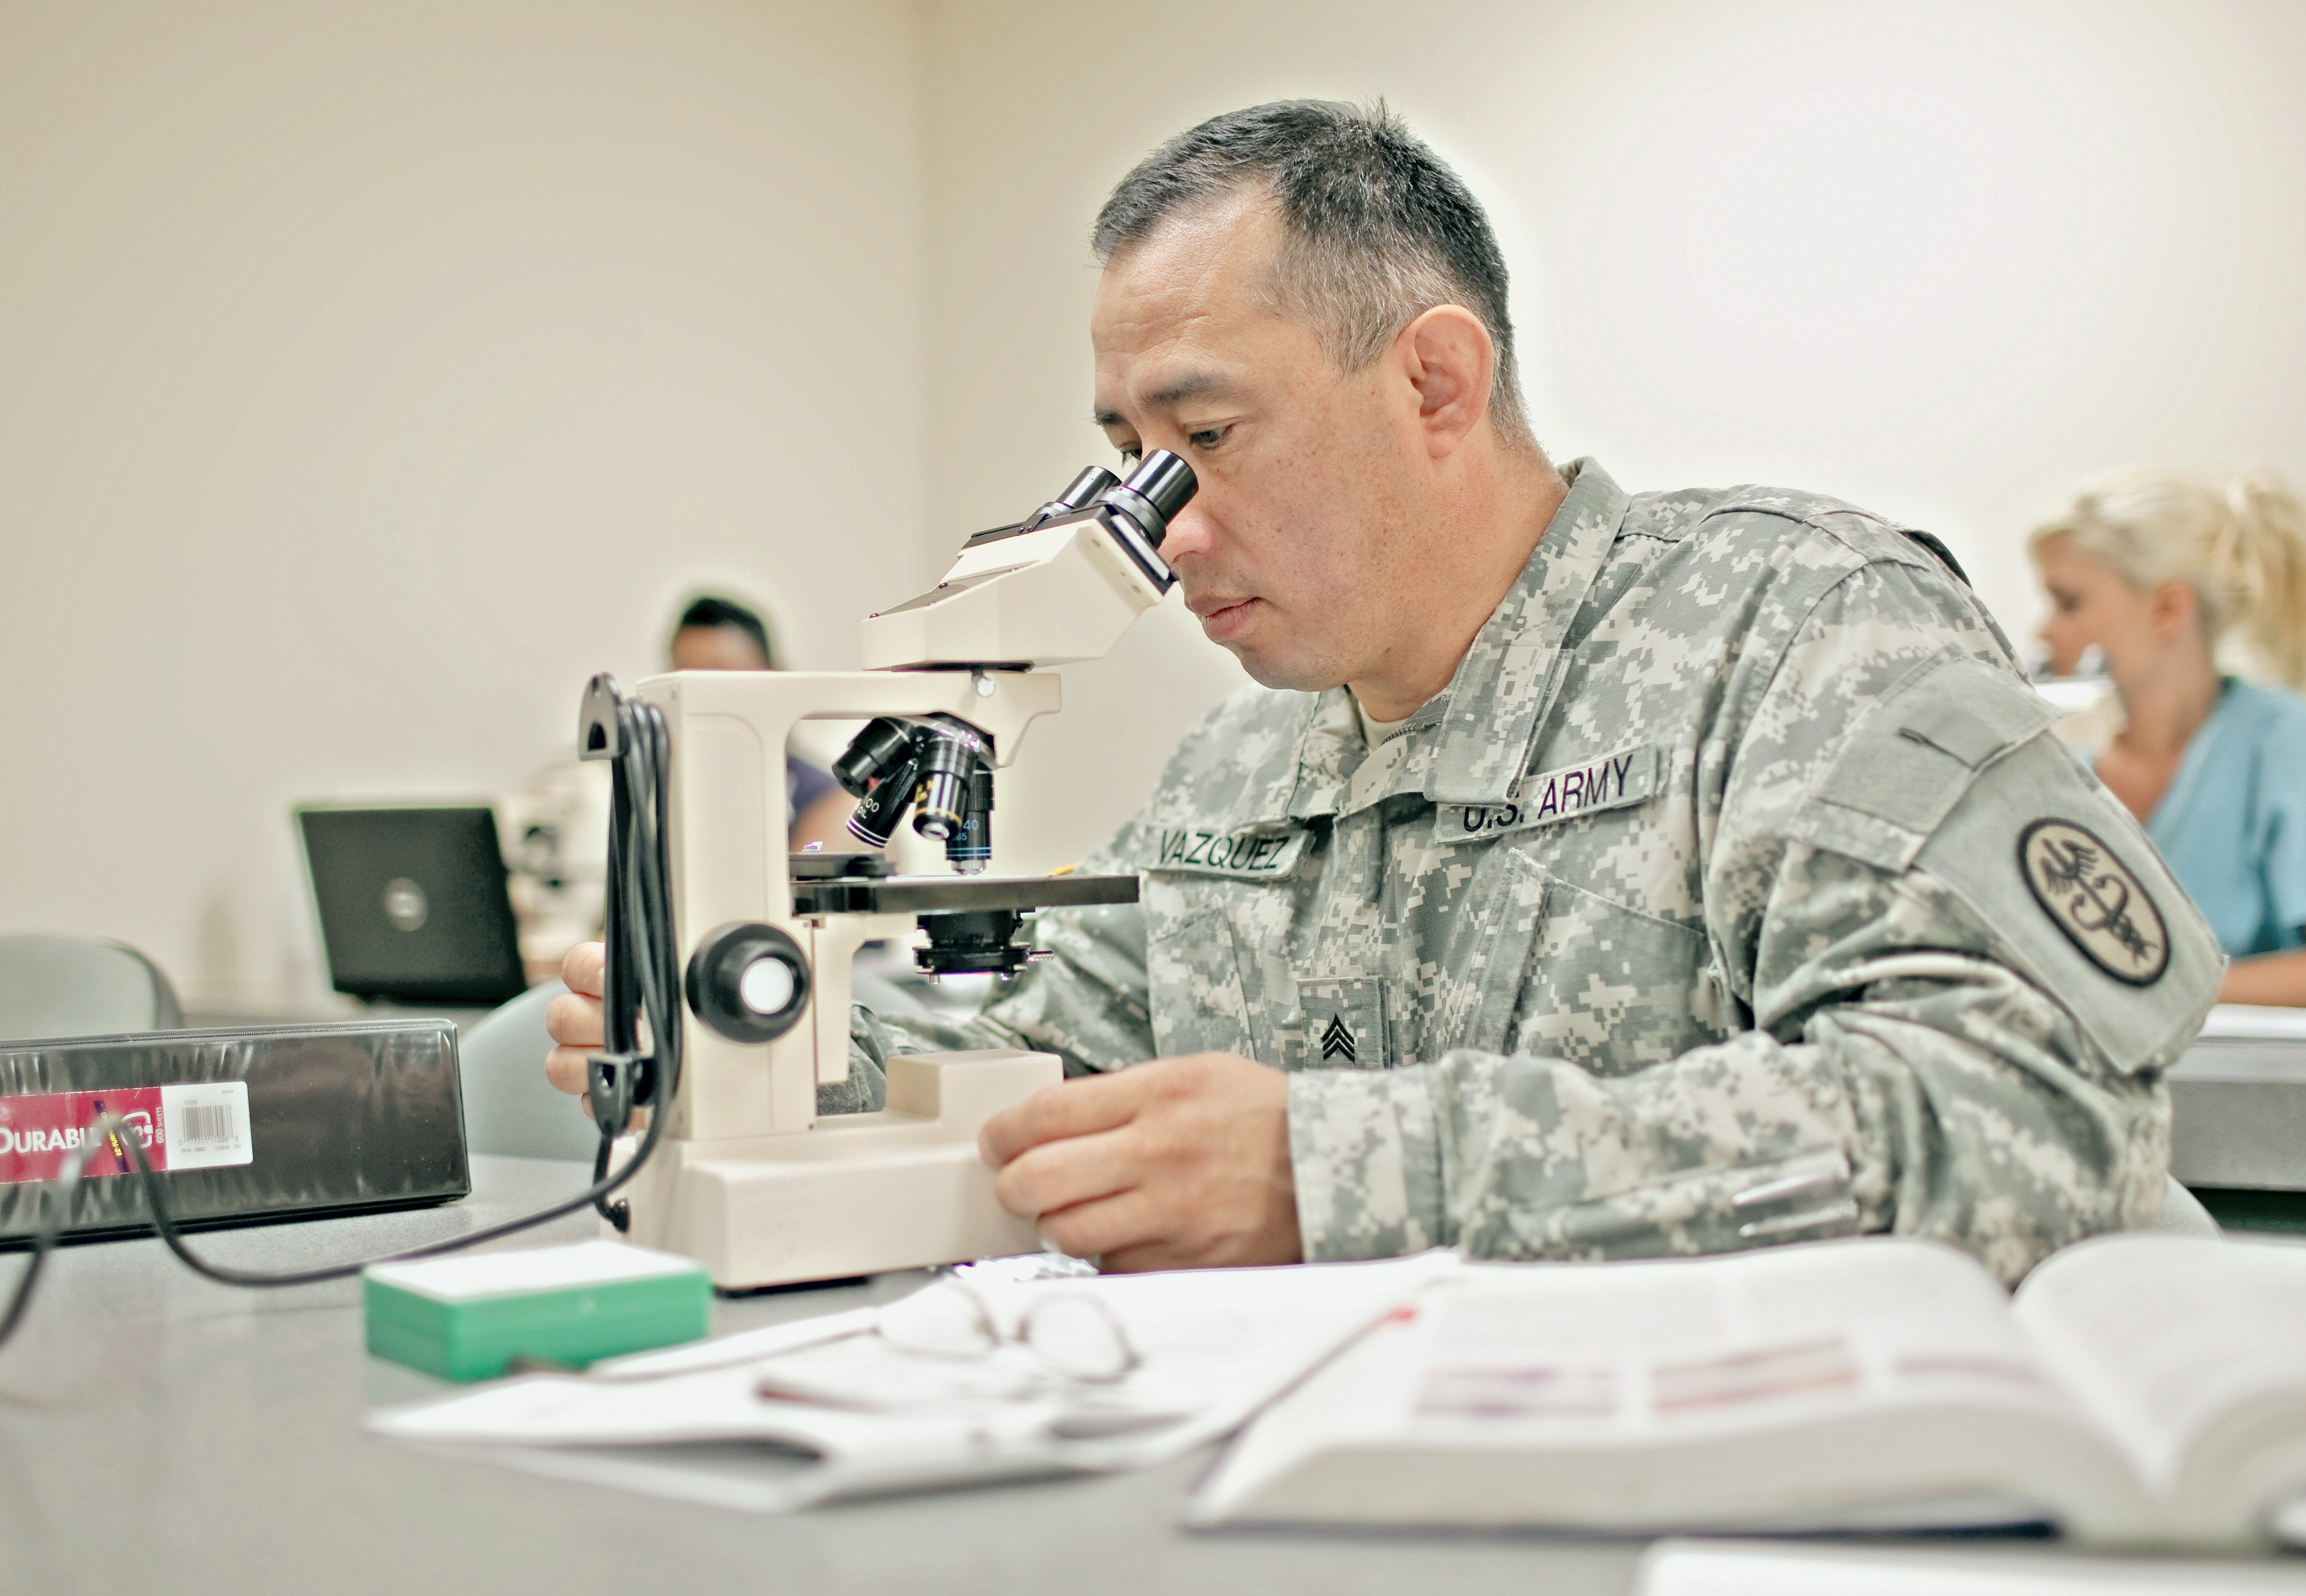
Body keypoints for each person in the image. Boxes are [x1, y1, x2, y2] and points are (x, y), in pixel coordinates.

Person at [547, 101, 2219, 1284]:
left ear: (1432, 380)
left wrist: (1341, 1170)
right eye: (1123, 458)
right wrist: (734, 1036)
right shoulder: (1241, 764)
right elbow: (1039, 1061)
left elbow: (2024, 1114)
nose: (1160, 531)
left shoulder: (1797, 634)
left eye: (1201, 440)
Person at [2032, 469, 2306, 1005]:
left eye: (2068, 603)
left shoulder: (2283, 744)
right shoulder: (2054, 761)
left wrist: (2150, 1000)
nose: (2044, 632)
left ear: (2168, 608)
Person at [666, 595, 854, 851]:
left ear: (778, 683)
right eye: (684, 682)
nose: (701, 701)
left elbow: (804, 877)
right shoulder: (660, 799)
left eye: (722, 679)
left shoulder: (836, 804)